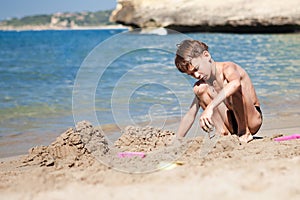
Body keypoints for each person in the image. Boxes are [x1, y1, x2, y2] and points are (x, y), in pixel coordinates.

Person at [175, 39, 262, 143]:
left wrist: (210, 108)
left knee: (231, 85)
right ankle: (223, 133)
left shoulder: (228, 67)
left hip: (251, 119)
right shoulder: (204, 82)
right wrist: (177, 139)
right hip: (231, 121)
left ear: (206, 55)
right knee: (199, 89)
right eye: (191, 74)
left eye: (196, 69)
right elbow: (190, 114)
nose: (196, 75)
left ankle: (244, 132)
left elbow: (235, 84)